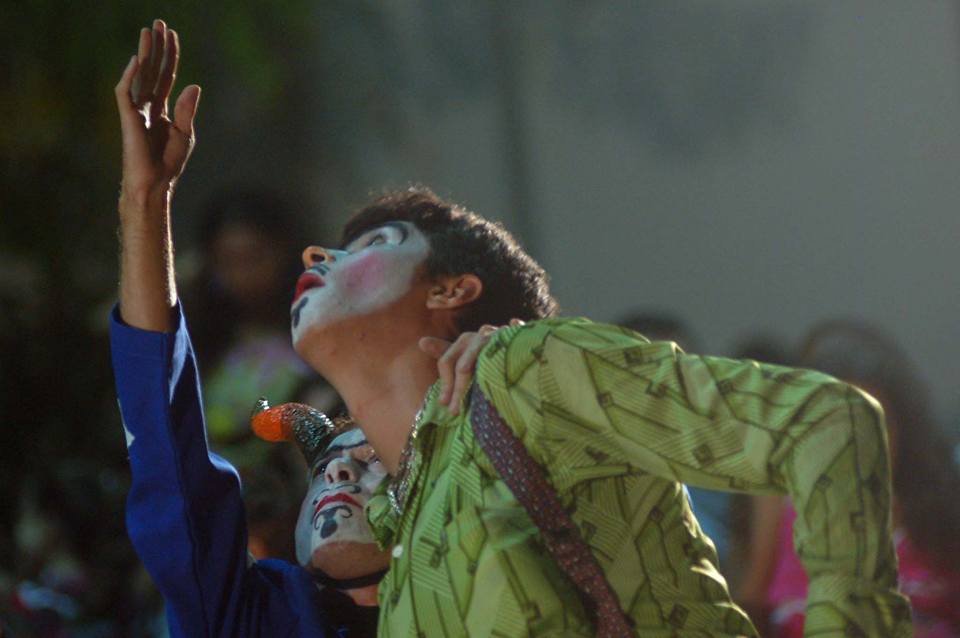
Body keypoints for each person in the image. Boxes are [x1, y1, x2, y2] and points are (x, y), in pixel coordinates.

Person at [114, 19, 912, 637]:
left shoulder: (524, 374)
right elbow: (172, 482)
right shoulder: (398, 543)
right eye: (334, 465)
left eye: (372, 243)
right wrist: (144, 204)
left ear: (452, 290)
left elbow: (828, 422)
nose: (318, 254)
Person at [110, 20, 494, 636]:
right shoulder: (264, 616)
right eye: (320, 465)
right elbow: (167, 445)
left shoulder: (505, 577)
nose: (337, 471)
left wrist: (514, 369)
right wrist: (144, 202)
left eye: (372, 460)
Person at [739, 320, 960, 637]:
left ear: (903, 432)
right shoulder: (780, 501)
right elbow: (751, 603)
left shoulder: (938, 512)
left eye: (876, 426)